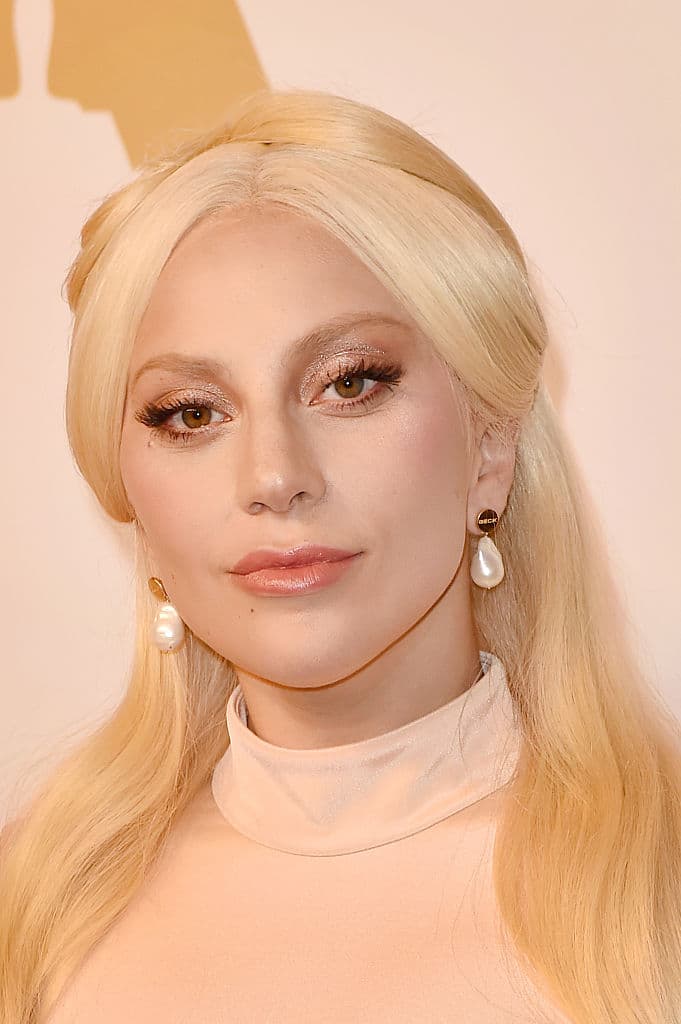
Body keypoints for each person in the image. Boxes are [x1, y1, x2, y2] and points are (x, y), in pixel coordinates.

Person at [1, 87, 680, 1024]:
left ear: (491, 445)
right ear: (131, 498)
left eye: (349, 384)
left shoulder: (656, 908)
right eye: (190, 413)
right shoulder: (33, 912)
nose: (275, 476)